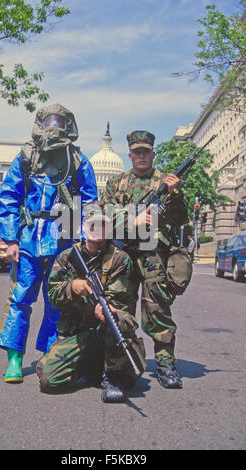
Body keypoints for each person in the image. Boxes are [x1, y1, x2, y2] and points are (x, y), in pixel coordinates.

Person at [0, 103, 98, 383]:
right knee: (20, 299)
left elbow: (89, 202)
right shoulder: (26, 156)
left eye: (59, 122)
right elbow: (8, 198)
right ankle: (14, 359)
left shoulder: (77, 160)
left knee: (57, 302)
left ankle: (49, 354)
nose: (54, 127)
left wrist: (85, 239)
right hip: (29, 238)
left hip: (63, 240)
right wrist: (10, 239)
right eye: (49, 121)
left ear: (68, 125)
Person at [101, 130, 188, 389]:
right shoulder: (116, 184)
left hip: (153, 256)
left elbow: (181, 219)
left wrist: (175, 195)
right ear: (130, 155)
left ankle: (165, 363)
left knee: (157, 310)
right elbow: (104, 216)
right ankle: (116, 364)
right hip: (124, 256)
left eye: (145, 151)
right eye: (136, 152)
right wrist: (132, 220)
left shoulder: (166, 181)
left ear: (152, 153)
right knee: (118, 308)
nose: (141, 156)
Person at [36, 202, 146, 403]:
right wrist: (72, 287)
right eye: (92, 224)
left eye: (102, 225)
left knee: (116, 320)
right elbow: (52, 296)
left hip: (107, 330)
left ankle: (112, 376)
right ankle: (89, 366)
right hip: (78, 334)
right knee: (48, 381)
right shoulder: (67, 257)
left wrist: (109, 308)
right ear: (84, 227)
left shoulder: (120, 260)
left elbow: (123, 303)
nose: (97, 229)